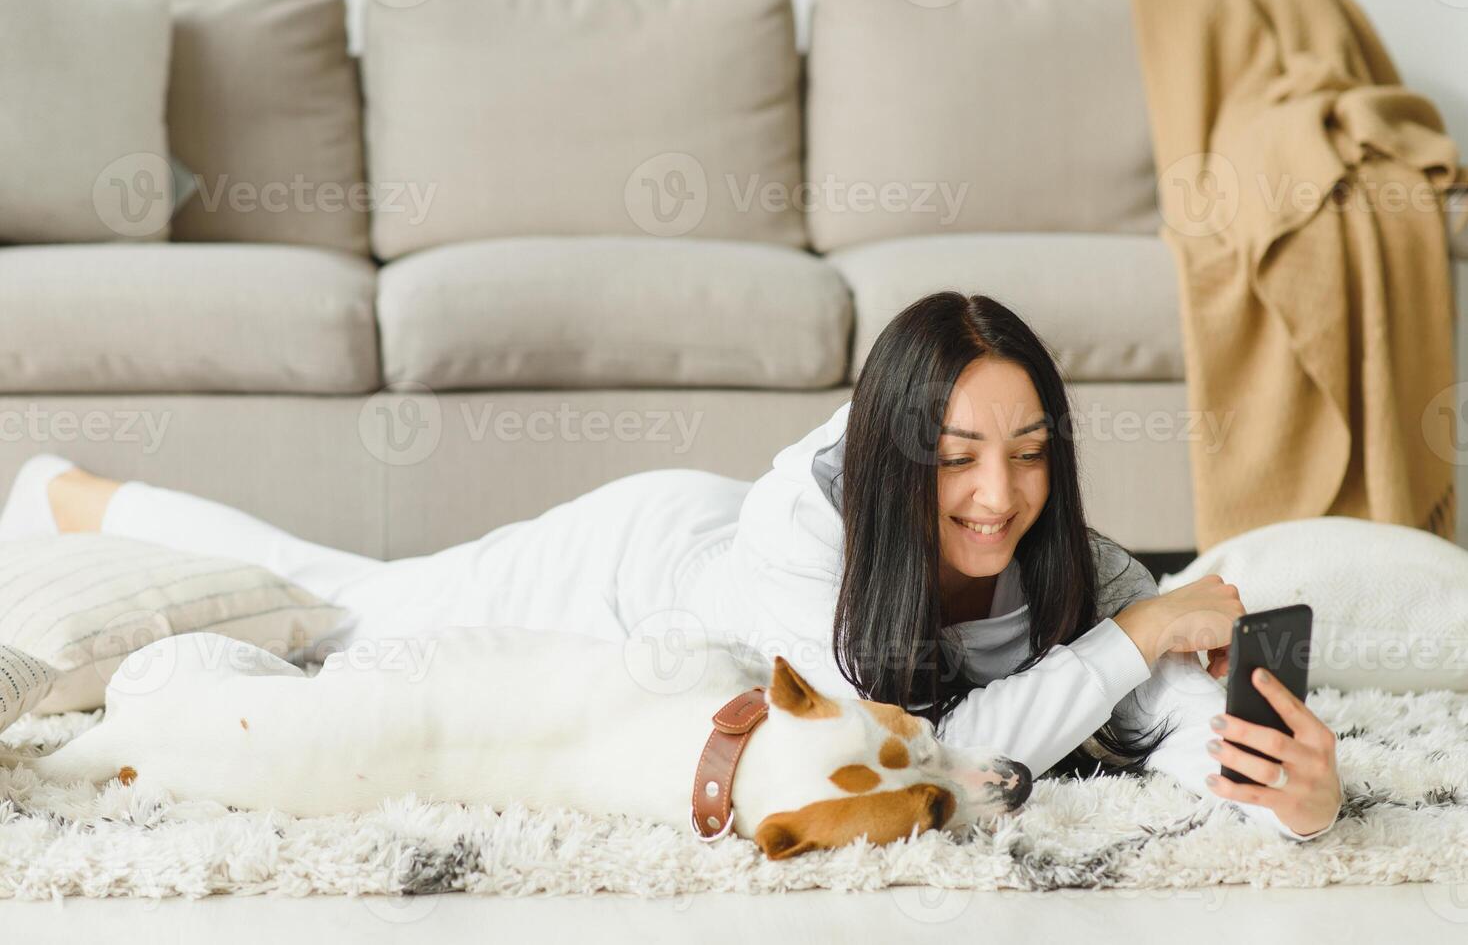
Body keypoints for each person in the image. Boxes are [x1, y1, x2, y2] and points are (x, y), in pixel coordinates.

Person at [0, 292, 1343, 840]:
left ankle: (71, 497)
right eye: (957, 455)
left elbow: (1162, 711)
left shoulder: (1051, 537)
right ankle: (62, 499)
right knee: (350, 604)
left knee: (350, 583)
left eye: (1034, 450)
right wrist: (1132, 635)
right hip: (625, 571)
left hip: (686, 555)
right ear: (888, 454)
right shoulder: (800, 550)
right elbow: (940, 750)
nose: (1001, 495)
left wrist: (1293, 790)